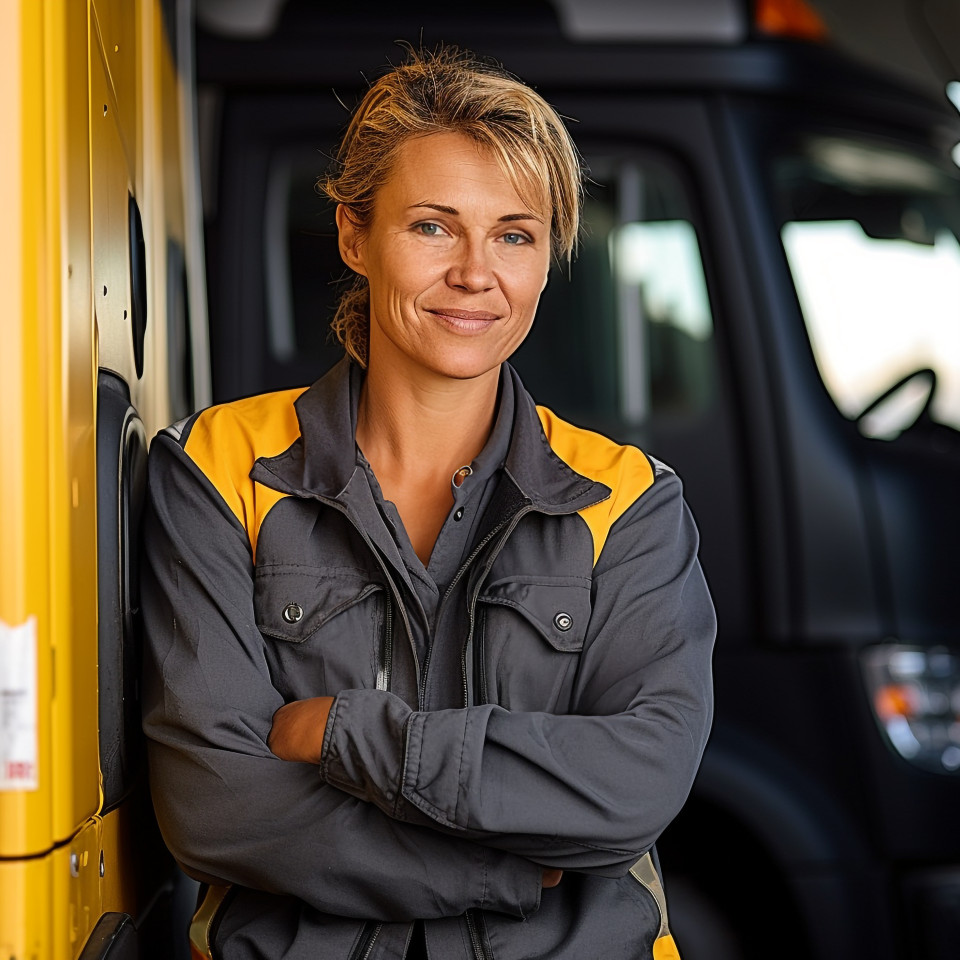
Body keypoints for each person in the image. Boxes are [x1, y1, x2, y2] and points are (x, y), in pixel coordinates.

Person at [141, 45, 715, 960]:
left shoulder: (628, 502)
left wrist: (346, 732)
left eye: (515, 235)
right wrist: (501, 873)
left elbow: (636, 788)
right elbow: (219, 806)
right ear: (353, 236)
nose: (476, 273)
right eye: (434, 228)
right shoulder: (217, 472)